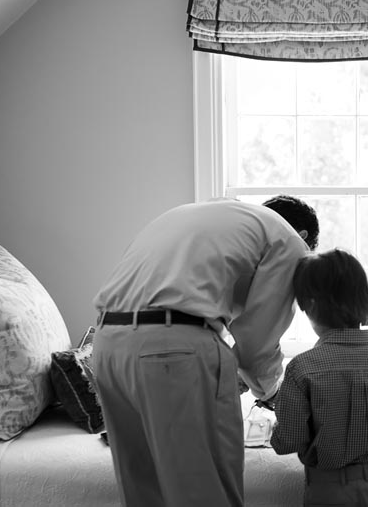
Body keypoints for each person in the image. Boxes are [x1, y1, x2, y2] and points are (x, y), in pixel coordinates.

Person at [91, 195, 318, 507]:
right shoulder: (291, 243)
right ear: (305, 237)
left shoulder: (199, 215)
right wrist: (269, 392)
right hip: (172, 351)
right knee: (205, 493)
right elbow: (256, 343)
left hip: (107, 345)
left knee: (144, 492)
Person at [270, 248, 368, 507]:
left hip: (331, 489)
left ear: (308, 305)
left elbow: (287, 441)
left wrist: (276, 421)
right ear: (365, 299)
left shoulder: (302, 368)